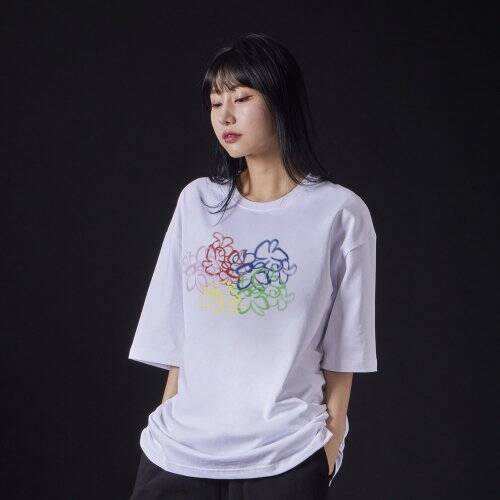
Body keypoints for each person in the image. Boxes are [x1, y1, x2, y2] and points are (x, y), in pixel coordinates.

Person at [128, 32, 378, 500]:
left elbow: (346, 347)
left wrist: (331, 443)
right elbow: (178, 336)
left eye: (241, 98)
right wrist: (165, 430)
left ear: (280, 101)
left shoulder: (339, 213)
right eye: (215, 102)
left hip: (285, 455)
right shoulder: (197, 202)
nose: (224, 115)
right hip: (179, 453)